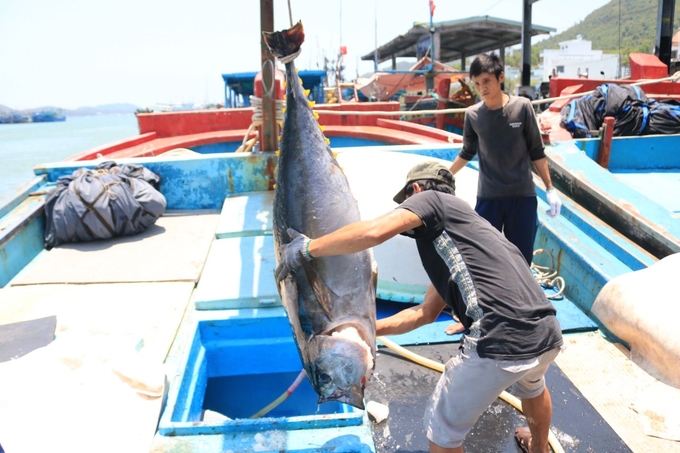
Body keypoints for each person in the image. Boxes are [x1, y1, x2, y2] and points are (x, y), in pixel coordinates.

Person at [275, 161, 564, 453]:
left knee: (443, 433)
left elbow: (373, 232)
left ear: (415, 190)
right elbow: (423, 314)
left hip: (498, 339)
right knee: (533, 387)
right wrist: (365, 333)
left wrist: (307, 248)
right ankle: (539, 448)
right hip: (546, 334)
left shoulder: (430, 200)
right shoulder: (467, 232)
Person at [449, 53, 562, 267]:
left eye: (486, 81)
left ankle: (520, 300)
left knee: (520, 261)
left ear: (500, 77)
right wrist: (446, 174)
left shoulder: (522, 107)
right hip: (488, 198)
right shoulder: (473, 115)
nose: (482, 88)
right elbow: (467, 151)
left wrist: (550, 189)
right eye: (477, 84)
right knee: (483, 258)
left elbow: (536, 151)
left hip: (522, 197)